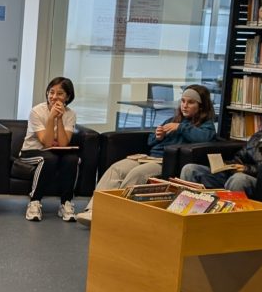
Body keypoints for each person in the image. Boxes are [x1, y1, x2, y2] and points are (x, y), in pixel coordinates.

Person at [76, 84, 217, 225]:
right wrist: (158, 136)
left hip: (165, 162)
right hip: (149, 157)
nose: (184, 106)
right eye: (183, 101)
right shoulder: (172, 120)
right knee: (116, 169)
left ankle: (114, 213)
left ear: (201, 106)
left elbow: (203, 138)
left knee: (137, 174)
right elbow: (150, 140)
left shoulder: (206, 126)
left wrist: (180, 127)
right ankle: (94, 210)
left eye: (190, 102)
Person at [21, 77, 80, 222]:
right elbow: (46, 143)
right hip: (32, 150)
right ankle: (34, 202)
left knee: (72, 159)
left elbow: (63, 143)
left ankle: (66, 203)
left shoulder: (70, 114)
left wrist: (59, 119)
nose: (54, 97)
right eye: (51, 92)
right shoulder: (36, 111)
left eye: (60, 94)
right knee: (48, 159)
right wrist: (51, 117)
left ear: (68, 97)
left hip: (56, 151)